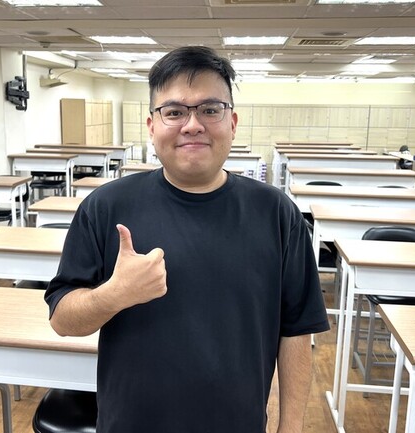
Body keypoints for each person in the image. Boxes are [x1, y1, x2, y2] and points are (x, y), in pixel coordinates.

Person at [45, 45, 330, 433]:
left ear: (232, 122)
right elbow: (62, 320)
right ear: (151, 126)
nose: (193, 125)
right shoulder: (105, 208)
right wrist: (114, 294)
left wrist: (290, 427)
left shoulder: (277, 214)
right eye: (175, 111)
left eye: (210, 110)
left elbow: (296, 330)